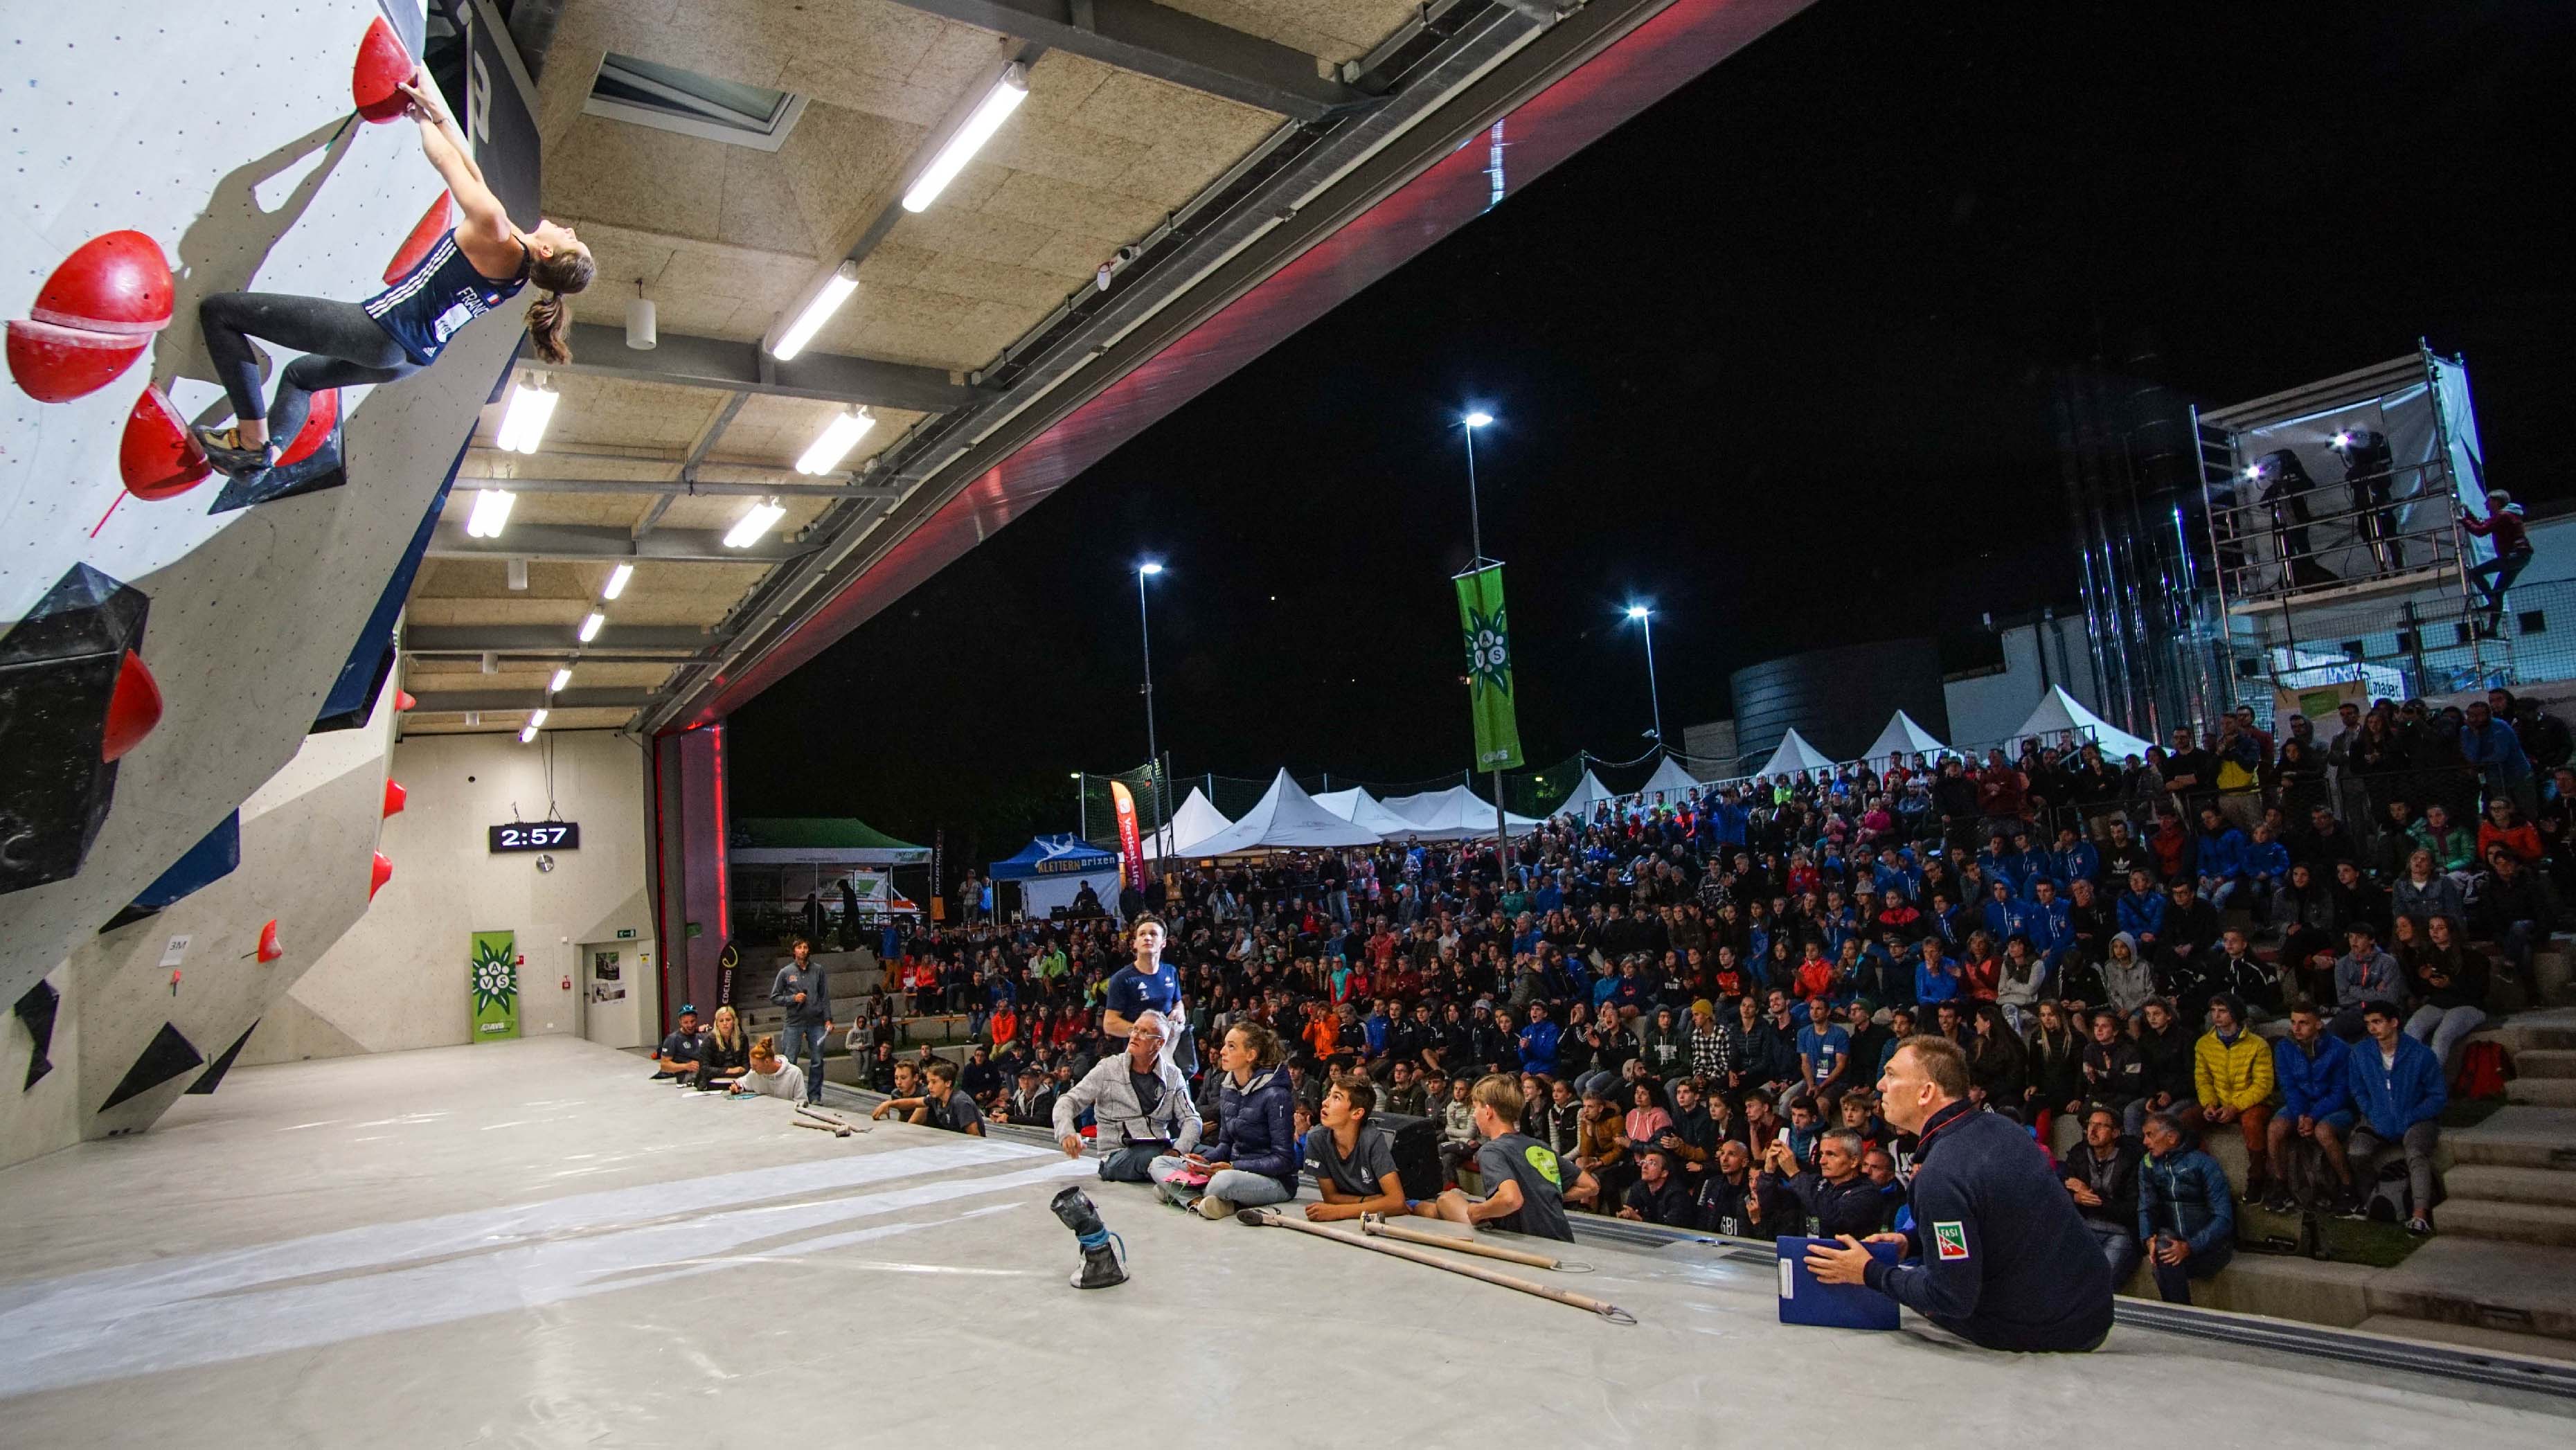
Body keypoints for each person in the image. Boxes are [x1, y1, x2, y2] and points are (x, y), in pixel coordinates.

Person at [193, 66, 593, 476]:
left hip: (382, 333)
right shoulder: (514, 269)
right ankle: (265, 455)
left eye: (569, 239)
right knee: (299, 378)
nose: (569, 229)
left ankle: (252, 440)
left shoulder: (494, 228)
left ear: (546, 251)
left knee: (220, 313)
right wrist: (437, 117)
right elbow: (475, 175)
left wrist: (418, 118)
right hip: (409, 361)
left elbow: (447, 163)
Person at [1803, 1035, 2115, 1352]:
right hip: (2093, 1310)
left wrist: (1869, 1273)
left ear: (1926, 1093)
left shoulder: (1939, 1174)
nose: (1880, 1085)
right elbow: (1995, 1215)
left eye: (1892, 1075)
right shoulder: (2003, 1129)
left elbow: (1951, 1297)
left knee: (1914, 1291)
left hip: (2050, 1329)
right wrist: (1913, 1240)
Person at [1155, 1021, 1298, 1219]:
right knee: (1159, 1163)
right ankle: (1198, 1201)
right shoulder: (1228, 1088)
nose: (1222, 1051)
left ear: (1251, 1055)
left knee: (1221, 1182)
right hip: (1232, 1168)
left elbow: (1283, 1160)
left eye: (1231, 1046)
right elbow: (1226, 1144)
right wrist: (1207, 1162)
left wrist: (1233, 1168)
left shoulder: (1276, 1095)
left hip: (1274, 1181)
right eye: (1224, 1045)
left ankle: (1180, 1192)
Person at [1415, 1073, 1576, 1242]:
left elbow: (1511, 1199)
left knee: (1448, 1201)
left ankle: (1412, 1207)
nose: (1474, 1115)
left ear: (1488, 1111)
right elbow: (1589, 1186)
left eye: (1476, 1108)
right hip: (1563, 1238)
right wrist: (1541, 1194)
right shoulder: (1539, 1145)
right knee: (1446, 1201)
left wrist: (1477, 1212)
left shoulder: (1492, 1151)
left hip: (1527, 1244)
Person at [1053, 1009, 1201, 1181]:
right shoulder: (1107, 1068)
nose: (1135, 1035)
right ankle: (1185, 1179)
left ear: (1159, 1044)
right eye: (1135, 1029)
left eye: (1144, 1032)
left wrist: (1179, 1150)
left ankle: (1181, 1173)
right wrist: (1066, 1133)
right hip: (1118, 1156)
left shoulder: (1173, 1075)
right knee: (1151, 1156)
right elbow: (1068, 1101)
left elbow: (1192, 1119)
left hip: (1163, 1148)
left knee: (1208, 1153)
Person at [2347, 1001, 2446, 1235]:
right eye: (2368, 1023)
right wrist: (2372, 1112)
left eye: (2378, 1022)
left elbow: (2438, 1096)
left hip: (2416, 1118)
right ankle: (2371, 1199)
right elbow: (2357, 1089)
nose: (2372, 1028)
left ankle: (2420, 1215)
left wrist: (2412, 1115)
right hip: (2377, 1117)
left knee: (2415, 1153)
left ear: (2393, 1022)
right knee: (2356, 1152)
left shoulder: (2421, 1054)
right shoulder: (2360, 1053)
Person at [2264, 999, 2356, 1214]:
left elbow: (2340, 1093)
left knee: (2324, 1132)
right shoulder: (2285, 1047)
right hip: (2302, 1105)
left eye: (2303, 1023)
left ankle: (2348, 1187)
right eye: (2293, 1022)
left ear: (2318, 1024)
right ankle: (2281, 1184)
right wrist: (2301, 1115)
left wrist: (2313, 1116)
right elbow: (2289, 1087)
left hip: (2334, 1106)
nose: (2296, 1028)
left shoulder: (2339, 1049)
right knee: (2275, 1128)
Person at [2138, 1111, 2233, 1305]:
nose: (2145, 1142)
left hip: (2209, 1249)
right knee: (2162, 1247)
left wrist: (2190, 1247)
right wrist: (2148, 1239)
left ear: (2171, 1137)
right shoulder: (2147, 1164)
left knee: (2167, 1250)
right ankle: (2179, 1314)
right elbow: (2146, 1206)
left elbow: (2224, 1218)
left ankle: (2182, 1317)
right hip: (2174, 1243)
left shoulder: (2203, 1164)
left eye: (2150, 1135)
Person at [2192, 993, 2276, 1201]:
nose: (2216, 1016)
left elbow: (2263, 1085)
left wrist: (2235, 1107)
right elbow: (2203, 1080)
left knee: (2251, 1122)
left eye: (2222, 1011)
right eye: (2213, 1011)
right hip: (2219, 1100)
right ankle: (2205, 1174)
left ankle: (2257, 1179)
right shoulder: (2204, 1044)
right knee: (2185, 1120)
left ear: (2235, 1014)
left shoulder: (2257, 1045)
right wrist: (2209, 1104)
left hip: (2251, 1102)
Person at [1300, 1075, 1410, 1222]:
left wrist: (1338, 1212)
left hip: (1400, 1199)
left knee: (1429, 1209)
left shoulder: (1372, 1138)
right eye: (1328, 1095)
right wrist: (1367, 1201)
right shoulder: (1316, 1138)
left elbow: (1397, 1202)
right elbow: (1330, 1197)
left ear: (1357, 1113)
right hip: (1374, 1202)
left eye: (1336, 1098)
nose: (1325, 1103)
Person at [2060, 1107, 2145, 1289]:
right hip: (2084, 1228)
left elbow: (2132, 1209)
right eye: (2091, 1124)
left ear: (2115, 1133)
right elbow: (2062, 1190)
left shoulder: (2131, 1161)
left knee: (2099, 1285)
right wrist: (2076, 1198)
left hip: (2120, 1232)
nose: (2093, 1130)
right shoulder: (2079, 1154)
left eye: (2101, 1126)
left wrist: (2091, 1197)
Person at [1102, 913, 1195, 1075]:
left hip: (1170, 1054)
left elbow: (1177, 1002)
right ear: (1135, 944)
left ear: (1163, 943)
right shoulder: (1122, 979)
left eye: (1153, 934)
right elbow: (1109, 1024)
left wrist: (1179, 1011)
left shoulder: (1171, 972)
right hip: (1140, 1059)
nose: (1147, 938)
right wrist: (1144, 1033)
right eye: (1142, 934)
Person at [1766, 1128, 1890, 1238]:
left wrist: (1794, 1173)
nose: (1822, 1161)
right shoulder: (1818, 1183)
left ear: (1854, 1161)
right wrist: (1769, 1172)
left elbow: (1834, 1218)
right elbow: (1771, 1205)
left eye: (1831, 1154)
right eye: (1821, 1154)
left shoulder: (1868, 1193)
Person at [769, 939, 833, 1108]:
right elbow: (774, 997)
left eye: (806, 947)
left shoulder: (818, 970)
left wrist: (828, 1019)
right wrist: (792, 999)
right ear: (794, 951)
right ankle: (789, 1093)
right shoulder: (786, 972)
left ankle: (814, 1095)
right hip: (794, 1021)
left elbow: (824, 996)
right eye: (799, 947)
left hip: (816, 1021)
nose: (803, 950)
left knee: (818, 1060)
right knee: (789, 1060)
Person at [873, 1059, 985, 1134]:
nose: (930, 1086)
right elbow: (913, 1102)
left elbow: (975, 1137)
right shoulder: (935, 1098)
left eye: (934, 1082)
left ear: (948, 1083)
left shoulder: (960, 1102)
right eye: (929, 1082)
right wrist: (889, 1104)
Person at [1618, 1147, 1697, 1226]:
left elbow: (1671, 1231)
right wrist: (1626, 1215)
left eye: (1652, 1163)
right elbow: (1630, 1211)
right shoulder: (1638, 1187)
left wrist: (1640, 1220)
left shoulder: (1677, 1194)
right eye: (1644, 1162)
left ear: (1664, 1173)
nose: (1645, 1166)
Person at [728, 1035, 805, 1101]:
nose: (753, 1069)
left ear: (767, 1062)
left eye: (755, 1066)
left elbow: (801, 1102)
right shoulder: (754, 1074)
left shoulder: (794, 1073)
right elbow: (741, 1082)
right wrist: (737, 1087)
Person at [695, 1005, 751, 1091]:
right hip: (713, 1081)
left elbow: (746, 1066)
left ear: (734, 1021)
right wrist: (729, 1071)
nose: (725, 1023)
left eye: (728, 1020)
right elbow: (705, 1069)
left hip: (737, 1078)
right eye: (721, 1021)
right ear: (717, 1023)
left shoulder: (742, 1038)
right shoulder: (709, 1040)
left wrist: (738, 1072)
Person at [651, 1006, 704, 1082]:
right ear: (680, 1022)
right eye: (686, 1022)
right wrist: (686, 1066)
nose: (690, 1025)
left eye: (693, 1021)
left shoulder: (701, 1036)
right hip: (685, 1075)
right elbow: (664, 1065)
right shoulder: (673, 1039)